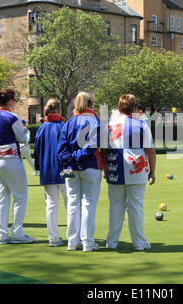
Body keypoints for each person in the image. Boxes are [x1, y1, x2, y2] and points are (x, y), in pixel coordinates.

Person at [103, 94, 156, 251]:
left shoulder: (109, 125)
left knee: (115, 207)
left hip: (115, 168)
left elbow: (103, 151)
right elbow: (150, 151)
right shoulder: (141, 125)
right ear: (134, 107)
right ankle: (139, 243)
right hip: (136, 169)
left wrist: (106, 169)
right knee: (136, 207)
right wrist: (152, 172)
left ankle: (111, 242)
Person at [58, 92, 104, 252]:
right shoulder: (96, 121)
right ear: (91, 104)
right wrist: (77, 157)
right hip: (90, 165)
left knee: (72, 204)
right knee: (88, 204)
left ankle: (72, 242)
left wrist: (70, 161)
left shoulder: (69, 122)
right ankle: (88, 243)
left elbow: (62, 148)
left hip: (71, 167)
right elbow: (92, 146)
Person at [0, 89, 35, 245]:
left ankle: (2, 235)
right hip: (10, 158)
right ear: (9, 101)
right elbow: (22, 139)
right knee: (20, 197)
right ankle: (17, 232)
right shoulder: (13, 117)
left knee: (2, 198)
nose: (15, 102)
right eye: (14, 100)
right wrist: (26, 132)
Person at [34, 99, 68, 247]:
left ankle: (53, 238)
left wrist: (39, 168)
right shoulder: (64, 126)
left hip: (47, 169)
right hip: (65, 169)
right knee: (71, 204)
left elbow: (37, 151)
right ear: (59, 110)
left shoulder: (42, 128)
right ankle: (74, 236)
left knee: (51, 205)